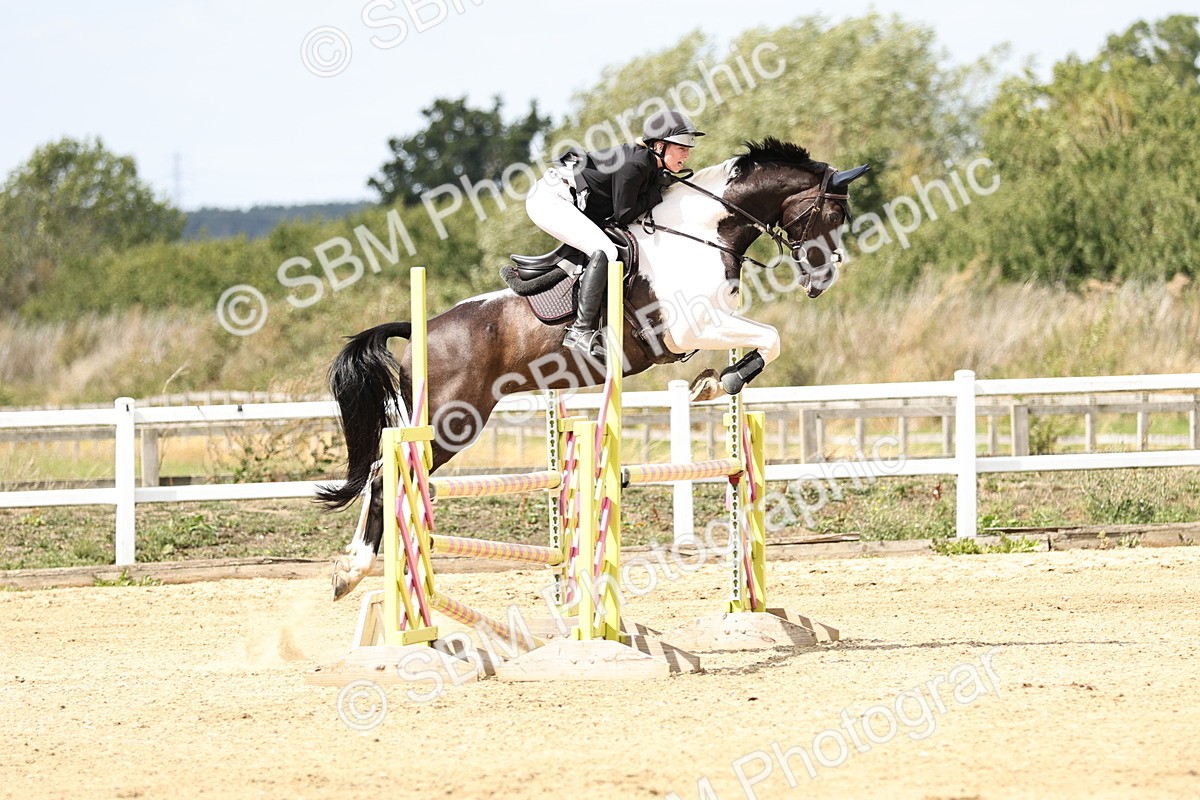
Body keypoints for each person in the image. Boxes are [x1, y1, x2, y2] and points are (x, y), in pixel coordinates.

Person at [525, 110, 704, 356]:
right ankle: (580, 330)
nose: (687, 153)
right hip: (551, 199)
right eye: (682, 147)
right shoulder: (637, 163)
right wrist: (656, 192)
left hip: (570, 199)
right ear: (660, 146)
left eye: (687, 148)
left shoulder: (650, 165)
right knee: (606, 251)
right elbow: (624, 214)